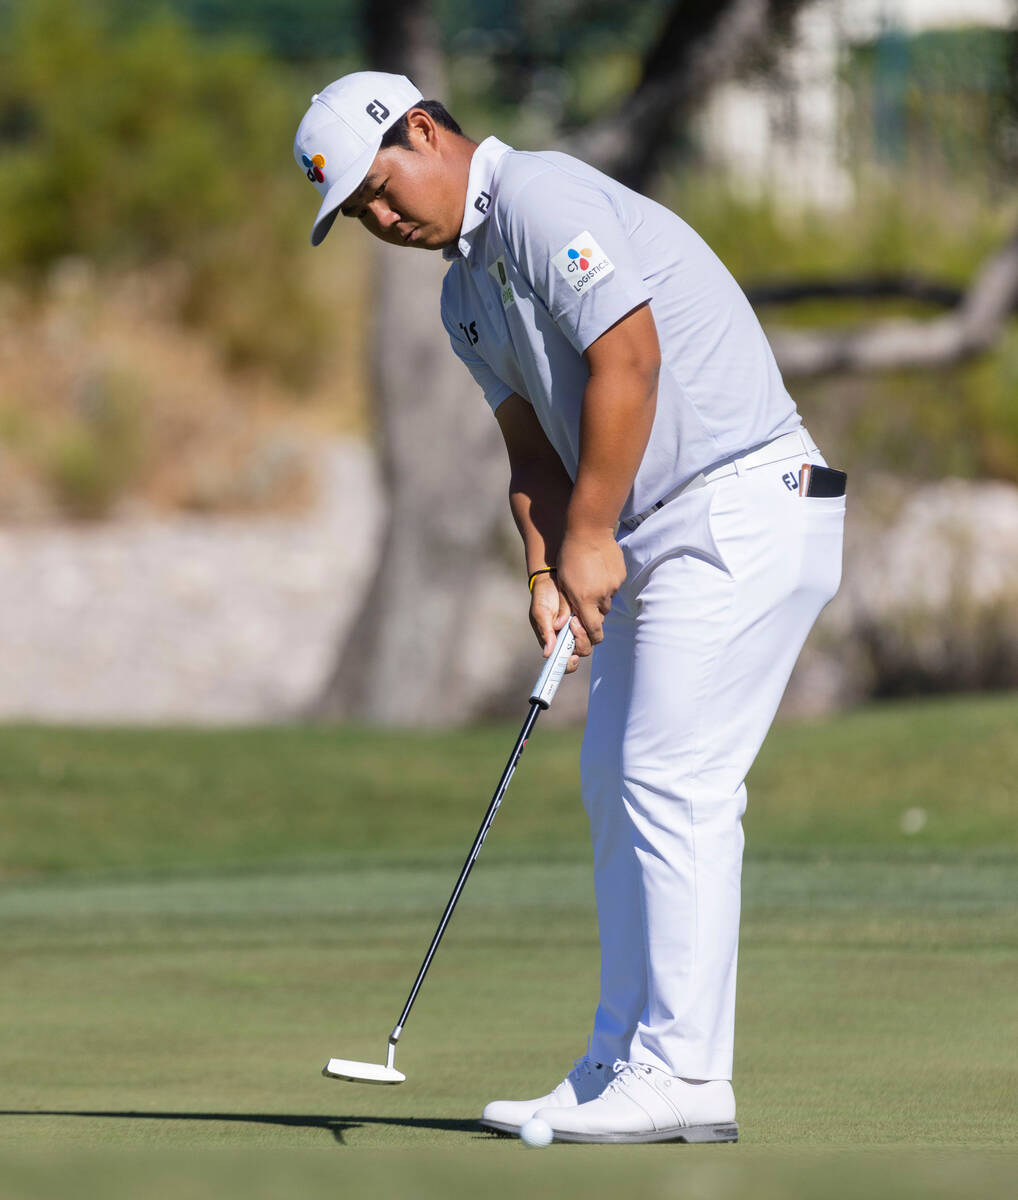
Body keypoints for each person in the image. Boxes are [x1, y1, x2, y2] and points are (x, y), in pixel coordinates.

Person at [294, 71, 845, 1145]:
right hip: (654, 535)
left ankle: (685, 1074)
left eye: (376, 186)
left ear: (421, 129)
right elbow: (531, 454)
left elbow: (626, 361)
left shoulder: (542, 198)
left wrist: (591, 537)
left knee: (672, 780)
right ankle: (618, 1064)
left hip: (738, 501)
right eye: (355, 212)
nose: (379, 218)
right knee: (613, 783)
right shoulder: (463, 295)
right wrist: (548, 568)